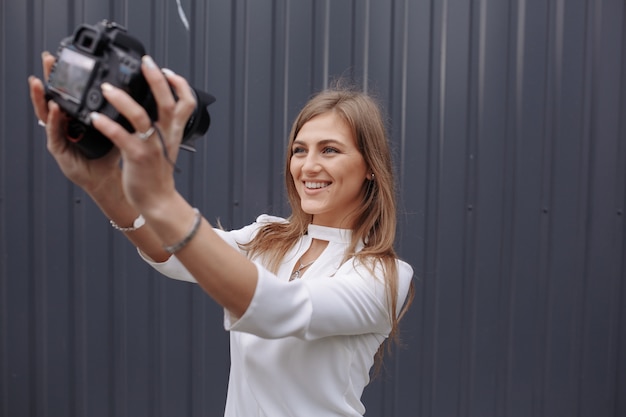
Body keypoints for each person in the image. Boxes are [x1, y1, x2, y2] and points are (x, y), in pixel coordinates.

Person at [29, 51, 415, 416]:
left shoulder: (383, 275)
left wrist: (162, 196)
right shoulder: (270, 235)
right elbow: (174, 254)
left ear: (370, 167)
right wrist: (103, 187)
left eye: (329, 150)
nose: (308, 166)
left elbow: (277, 309)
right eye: (300, 150)